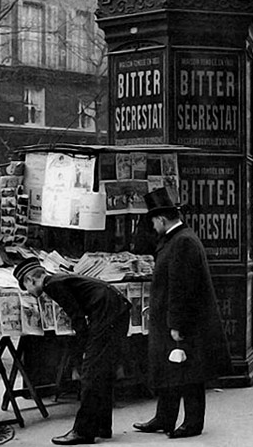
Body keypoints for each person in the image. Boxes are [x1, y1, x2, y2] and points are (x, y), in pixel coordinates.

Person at [133, 186, 232, 439]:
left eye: (153, 221)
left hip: (183, 321)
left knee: (189, 373)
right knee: (170, 369)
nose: (153, 227)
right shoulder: (177, 239)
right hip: (171, 319)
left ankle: (192, 423)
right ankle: (164, 417)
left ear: (162, 219)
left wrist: (177, 324)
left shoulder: (182, 242)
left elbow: (182, 288)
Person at [13, 257, 131, 445]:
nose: (29, 292)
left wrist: (83, 349)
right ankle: (102, 426)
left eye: (26, 287)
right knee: (103, 372)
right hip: (115, 310)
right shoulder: (58, 280)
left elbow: (77, 317)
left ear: (30, 280)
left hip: (107, 314)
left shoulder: (52, 285)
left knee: (91, 375)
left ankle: (83, 431)